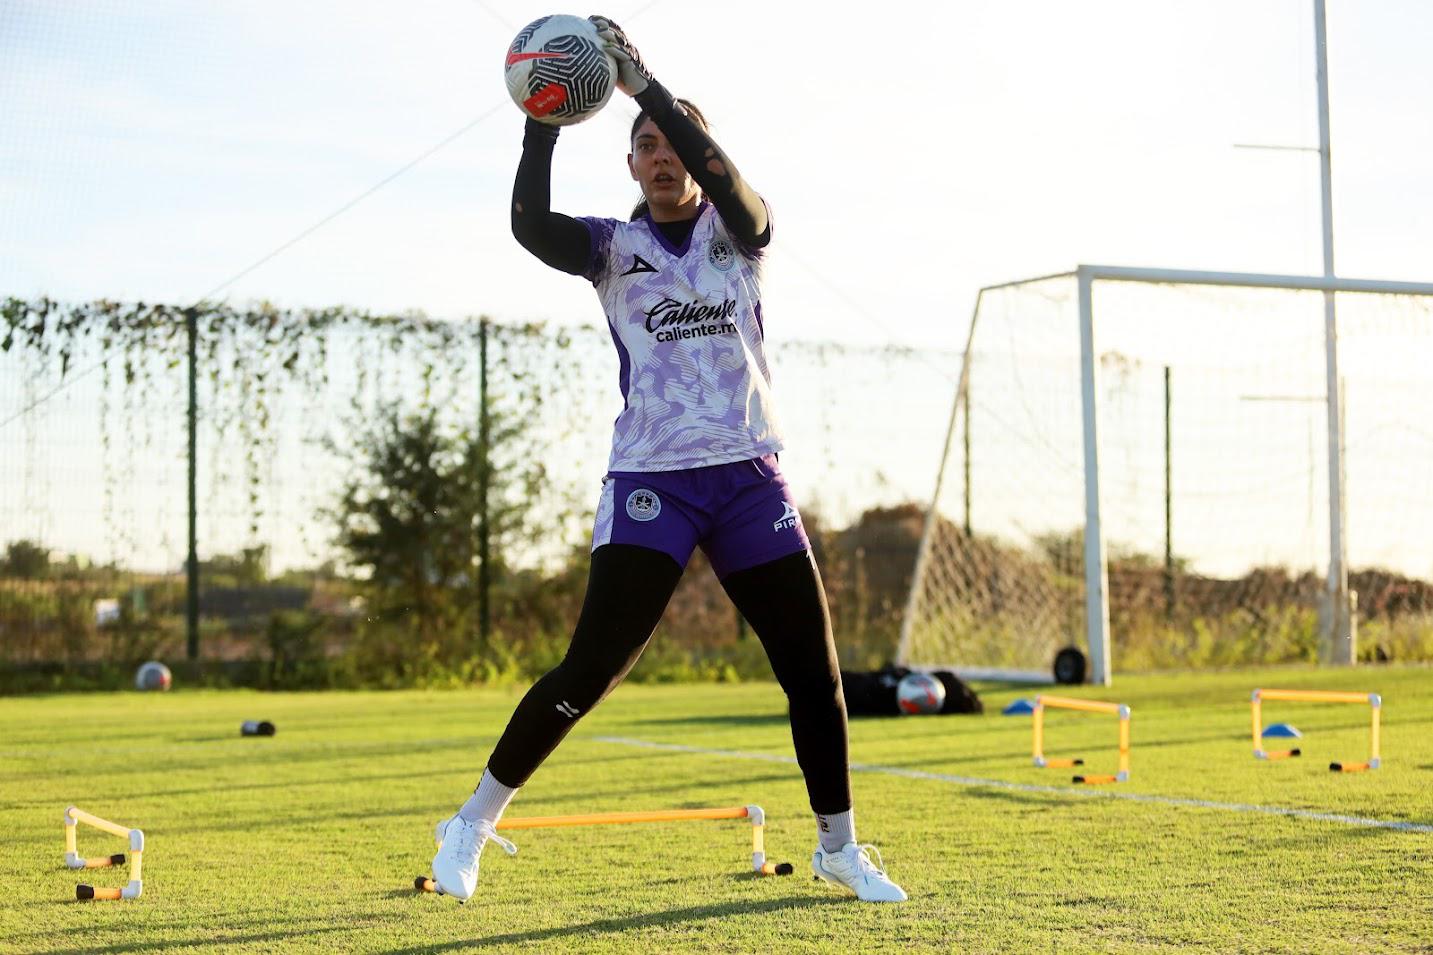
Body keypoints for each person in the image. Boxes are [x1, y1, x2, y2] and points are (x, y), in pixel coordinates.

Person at [431, 16, 905, 905]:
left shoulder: (741, 235)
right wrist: (542, 116)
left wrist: (646, 87)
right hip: (652, 479)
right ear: (628, 165)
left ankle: (839, 847)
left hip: (747, 477)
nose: (661, 156)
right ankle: (471, 823)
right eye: (644, 145)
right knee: (592, 668)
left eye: (674, 143)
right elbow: (529, 224)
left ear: (698, 155)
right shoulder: (614, 249)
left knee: (814, 670)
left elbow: (738, 191)